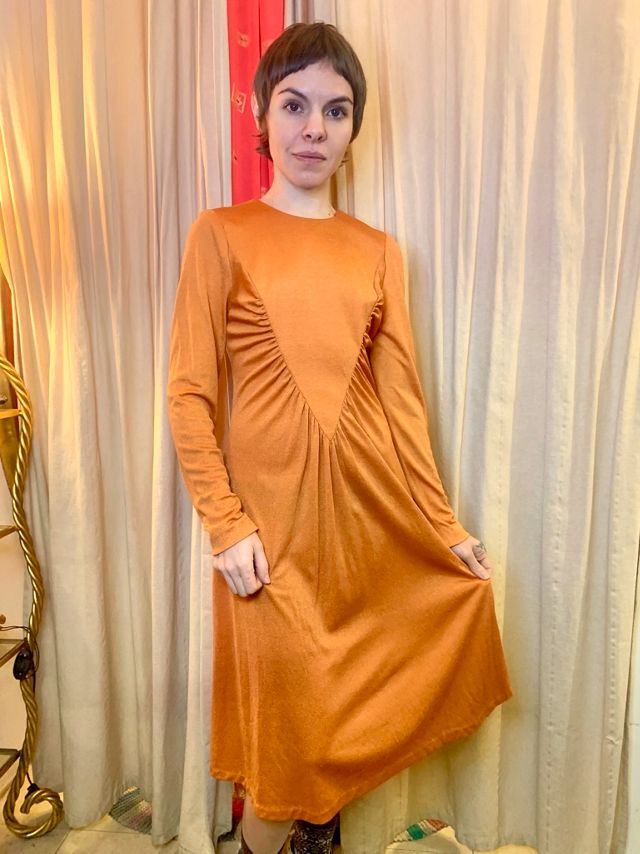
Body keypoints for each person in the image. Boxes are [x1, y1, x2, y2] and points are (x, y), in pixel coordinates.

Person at [167, 21, 512, 854]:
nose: (314, 128)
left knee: (341, 725)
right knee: (284, 752)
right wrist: (225, 523)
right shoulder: (221, 233)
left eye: (336, 109)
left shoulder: (379, 251)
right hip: (268, 537)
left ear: (355, 127)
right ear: (261, 113)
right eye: (294, 105)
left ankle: (320, 840)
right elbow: (189, 393)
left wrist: (442, 527)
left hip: (365, 522)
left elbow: (402, 405)